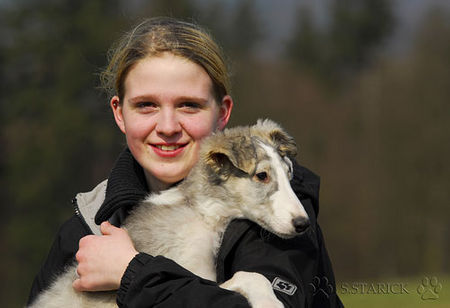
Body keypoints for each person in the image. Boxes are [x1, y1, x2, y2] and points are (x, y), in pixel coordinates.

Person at [27, 17, 343, 307]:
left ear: (222, 113)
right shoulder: (85, 227)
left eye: (189, 105)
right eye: (146, 105)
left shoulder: (279, 214)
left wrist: (132, 273)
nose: (167, 127)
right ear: (119, 113)